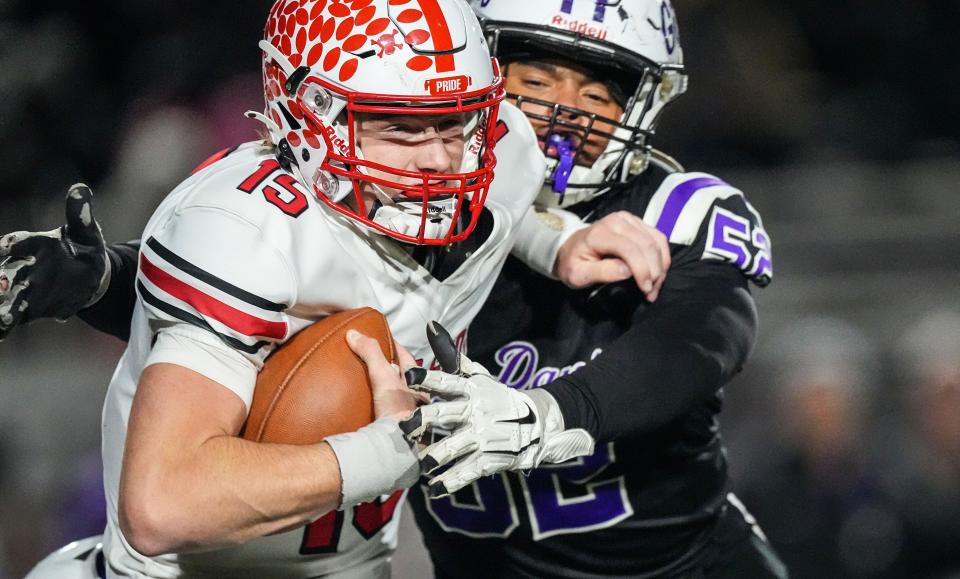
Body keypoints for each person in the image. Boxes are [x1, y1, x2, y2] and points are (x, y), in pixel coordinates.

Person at [4, 2, 779, 578]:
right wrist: (398, 444)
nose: (441, 161)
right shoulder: (251, 228)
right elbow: (168, 488)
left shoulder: (510, 161)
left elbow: (691, 342)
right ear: (308, 117)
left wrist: (555, 242)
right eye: (402, 128)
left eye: (457, 122)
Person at [395, 1, 787, 577]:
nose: (566, 111)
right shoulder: (402, 207)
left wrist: (545, 416)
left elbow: (697, 343)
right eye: (536, 80)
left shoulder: (677, 208)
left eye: (598, 95)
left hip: (679, 565)